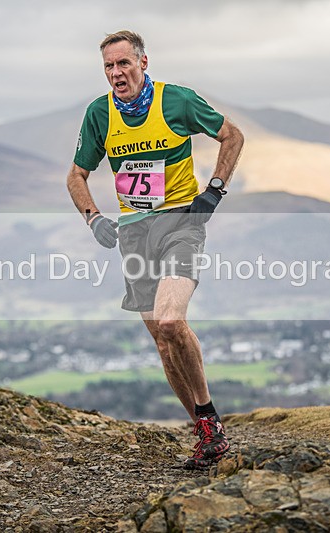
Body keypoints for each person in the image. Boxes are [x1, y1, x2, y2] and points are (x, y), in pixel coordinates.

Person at [67, 31, 244, 469]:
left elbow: (232, 136)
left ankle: (207, 415)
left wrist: (215, 190)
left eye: (123, 63)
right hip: (134, 234)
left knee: (170, 318)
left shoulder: (176, 101)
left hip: (181, 223)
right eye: (109, 67)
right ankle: (206, 433)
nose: (116, 74)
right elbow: (76, 175)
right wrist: (94, 218)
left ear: (143, 63)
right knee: (162, 342)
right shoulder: (99, 114)